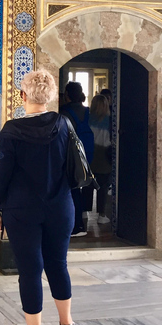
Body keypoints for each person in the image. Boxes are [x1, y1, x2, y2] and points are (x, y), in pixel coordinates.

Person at [0, 69, 77, 325]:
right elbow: (74, 168)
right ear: (49, 97)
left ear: (23, 95)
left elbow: (0, 176)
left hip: (22, 210)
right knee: (58, 264)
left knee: (30, 271)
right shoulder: (63, 125)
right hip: (60, 207)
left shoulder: (12, 131)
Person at [60, 81, 94, 237]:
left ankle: (74, 225)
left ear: (67, 95)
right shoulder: (88, 112)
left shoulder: (63, 112)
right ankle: (82, 219)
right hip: (88, 153)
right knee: (84, 185)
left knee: (72, 189)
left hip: (71, 155)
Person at [85, 94, 112, 224]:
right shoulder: (110, 120)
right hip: (104, 155)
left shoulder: (87, 118)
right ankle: (101, 214)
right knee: (103, 185)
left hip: (89, 153)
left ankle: (84, 212)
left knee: (87, 183)